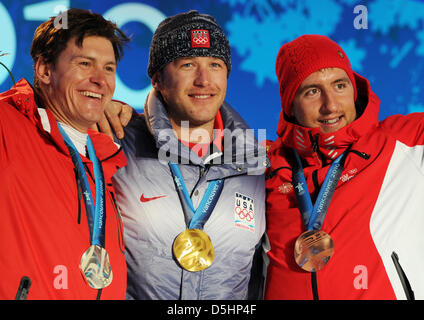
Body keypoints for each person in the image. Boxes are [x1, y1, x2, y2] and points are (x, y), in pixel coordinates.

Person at [111, 10, 267, 300]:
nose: (204, 79)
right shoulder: (116, 143)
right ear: (158, 78)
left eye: (215, 64)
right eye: (188, 64)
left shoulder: (258, 165)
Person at [265, 34, 424, 299]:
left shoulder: (407, 140)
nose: (331, 105)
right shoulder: (267, 164)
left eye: (340, 85)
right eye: (312, 91)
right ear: (290, 105)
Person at [0, 8, 130, 299]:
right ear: (45, 70)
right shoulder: (6, 127)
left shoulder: (109, 159)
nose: (100, 79)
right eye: (85, 63)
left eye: (108, 68)